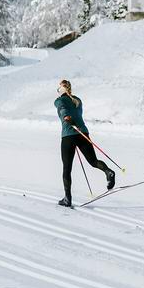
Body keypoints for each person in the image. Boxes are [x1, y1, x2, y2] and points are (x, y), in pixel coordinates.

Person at [55, 78, 116, 207]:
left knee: (67, 168)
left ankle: (67, 198)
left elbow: (62, 110)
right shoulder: (78, 100)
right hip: (83, 133)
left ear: (62, 89)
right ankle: (108, 172)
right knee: (93, 161)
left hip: (68, 135)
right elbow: (77, 113)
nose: (57, 90)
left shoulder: (59, 100)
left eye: (59, 88)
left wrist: (66, 117)